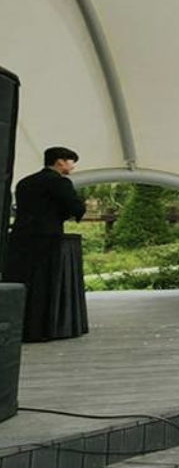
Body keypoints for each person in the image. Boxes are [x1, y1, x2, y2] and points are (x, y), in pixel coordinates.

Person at [3, 145, 88, 342]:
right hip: (47, 238)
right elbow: (74, 206)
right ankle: (42, 329)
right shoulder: (60, 182)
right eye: (70, 162)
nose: (72, 166)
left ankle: (19, 327)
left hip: (20, 237)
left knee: (23, 280)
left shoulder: (25, 182)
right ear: (60, 162)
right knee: (44, 282)